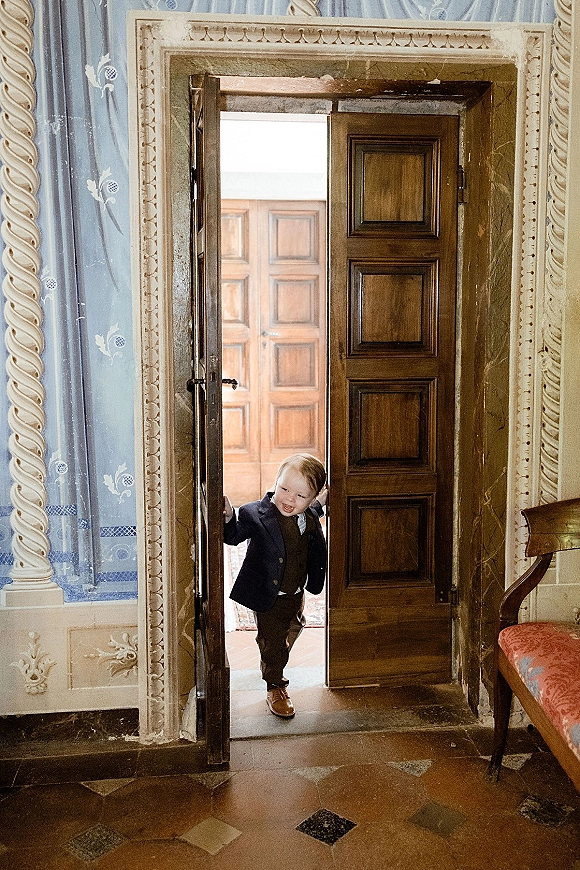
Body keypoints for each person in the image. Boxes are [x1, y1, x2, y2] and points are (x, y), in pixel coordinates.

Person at [223, 453, 327, 718]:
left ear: (312, 497)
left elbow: (315, 508)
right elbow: (233, 535)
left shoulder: (310, 514)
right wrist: (227, 518)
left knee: (294, 627)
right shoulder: (254, 515)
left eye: (301, 496)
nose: (290, 499)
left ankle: (272, 655)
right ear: (276, 482)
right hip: (268, 596)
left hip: (295, 593)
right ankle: (276, 684)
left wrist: (321, 502)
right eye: (284, 489)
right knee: (274, 644)